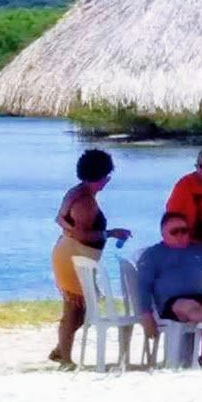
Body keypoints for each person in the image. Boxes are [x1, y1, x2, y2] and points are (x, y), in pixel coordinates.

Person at [49, 149, 131, 367]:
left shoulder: (76, 192)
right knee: (73, 309)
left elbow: (60, 220)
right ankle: (66, 359)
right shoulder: (85, 202)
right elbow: (81, 233)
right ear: (103, 177)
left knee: (84, 310)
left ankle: (60, 350)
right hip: (74, 258)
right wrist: (111, 233)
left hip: (71, 253)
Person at [135, 211, 202, 364]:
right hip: (172, 303)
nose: (180, 235)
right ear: (163, 234)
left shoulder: (199, 251)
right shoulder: (153, 255)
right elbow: (142, 286)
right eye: (174, 232)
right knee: (190, 307)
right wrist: (145, 314)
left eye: (184, 231)